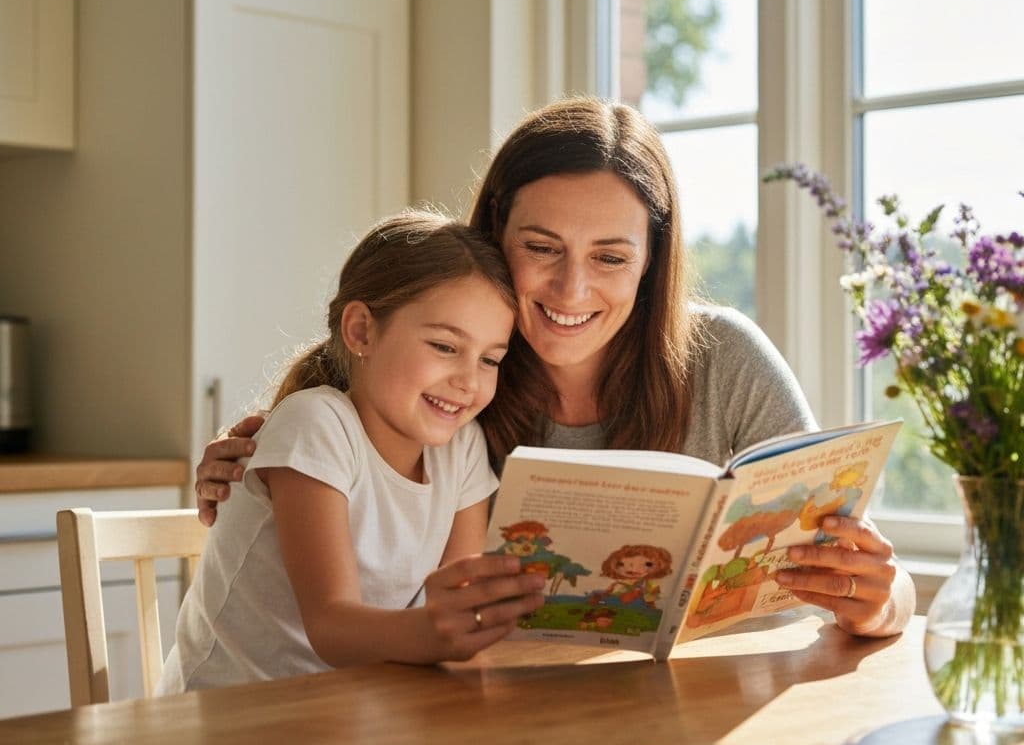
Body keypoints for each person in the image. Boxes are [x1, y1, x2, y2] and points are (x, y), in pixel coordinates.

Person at [196, 97, 915, 640]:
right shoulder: (450, 386)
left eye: (609, 257)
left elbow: (877, 577)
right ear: (493, 237)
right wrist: (245, 470)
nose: (572, 292)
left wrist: (880, 601)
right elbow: (335, 496)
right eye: (541, 248)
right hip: (512, 724)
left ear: (652, 263)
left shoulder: (725, 358)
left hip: (720, 712)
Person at [158, 212, 546, 693]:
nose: (469, 381)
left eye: (490, 359)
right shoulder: (316, 425)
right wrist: (439, 629)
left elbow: (457, 604)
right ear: (362, 331)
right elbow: (332, 628)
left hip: (354, 707)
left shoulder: (462, 449)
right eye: (445, 346)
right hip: (228, 714)